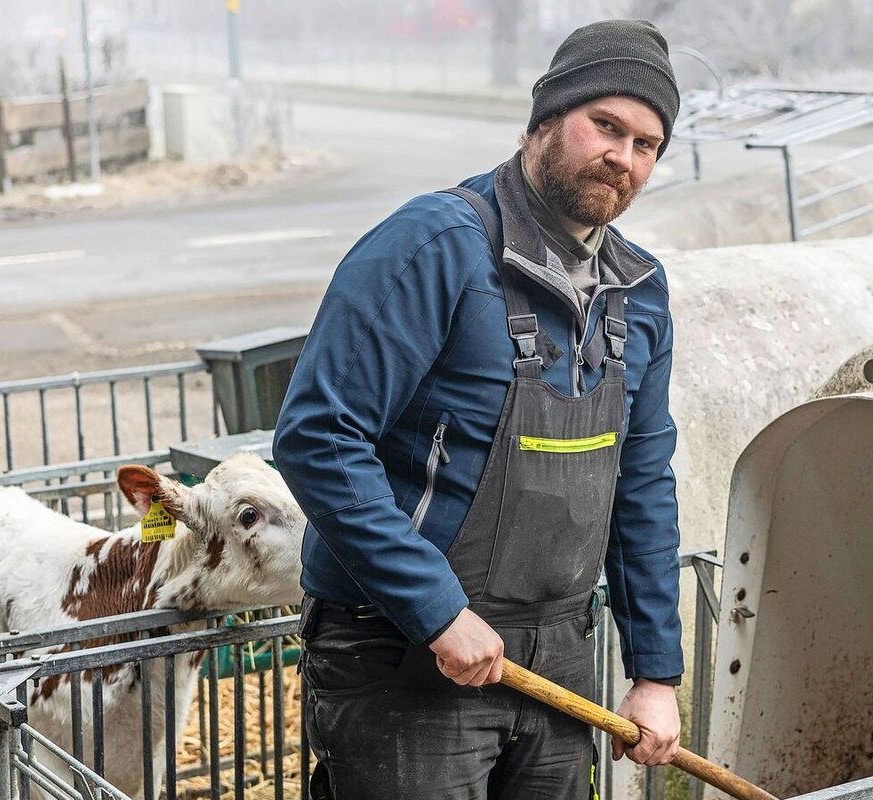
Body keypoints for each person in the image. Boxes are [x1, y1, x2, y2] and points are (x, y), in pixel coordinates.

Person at [273, 18, 683, 799]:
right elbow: (319, 437)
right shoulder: (434, 247)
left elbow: (642, 483)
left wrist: (656, 670)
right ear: (542, 121)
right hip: (405, 651)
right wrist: (434, 609)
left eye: (646, 144)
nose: (621, 157)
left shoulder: (641, 291)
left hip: (558, 652)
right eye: (605, 125)